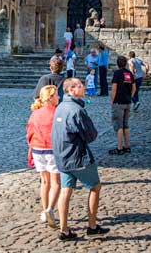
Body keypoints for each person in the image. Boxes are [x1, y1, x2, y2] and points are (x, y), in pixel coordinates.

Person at [52, 78, 109, 241]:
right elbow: (91, 134)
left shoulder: (60, 107)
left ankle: (64, 230)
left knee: (65, 191)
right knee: (95, 187)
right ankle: (92, 226)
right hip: (77, 157)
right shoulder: (77, 110)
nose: (83, 87)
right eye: (79, 85)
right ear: (71, 90)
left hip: (62, 157)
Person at [27, 85, 61, 229]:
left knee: (44, 182)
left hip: (37, 149)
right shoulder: (56, 113)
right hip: (51, 149)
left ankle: (44, 210)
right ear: (51, 97)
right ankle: (50, 210)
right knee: (56, 183)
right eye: (57, 95)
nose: (59, 97)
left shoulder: (35, 113)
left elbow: (29, 132)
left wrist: (31, 148)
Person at [109, 57, 135, 155]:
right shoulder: (129, 74)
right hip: (127, 102)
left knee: (119, 125)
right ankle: (127, 146)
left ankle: (119, 148)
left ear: (117, 64)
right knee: (126, 124)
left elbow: (114, 88)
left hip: (118, 102)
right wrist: (130, 97)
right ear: (125, 64)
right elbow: (134, 88)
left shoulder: (117, 73)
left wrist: (112, 101)